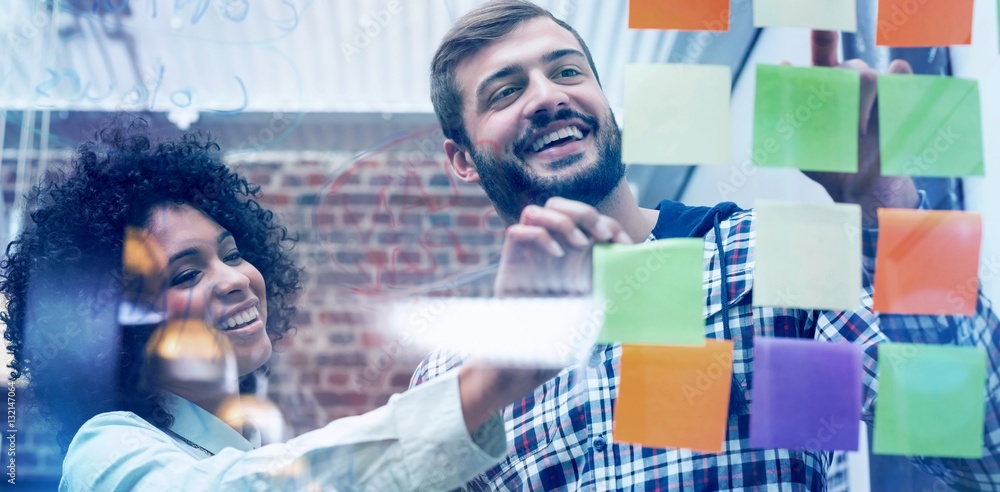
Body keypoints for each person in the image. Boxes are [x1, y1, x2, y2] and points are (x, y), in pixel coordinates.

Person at [410, 1, 1000, 490]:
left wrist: (885, 207)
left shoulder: (765, 252)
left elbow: (979, 448)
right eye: (506, 91)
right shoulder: (458, 377)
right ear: (462, 160)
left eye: (566, 72)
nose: (546, 96)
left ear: (607, 109)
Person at [0, 116, 557, 491]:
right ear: (119, 327)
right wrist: (479, 388)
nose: (235, 279)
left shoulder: (253, 444)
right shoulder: (106, 448)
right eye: (188, 273)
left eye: (233, 253)